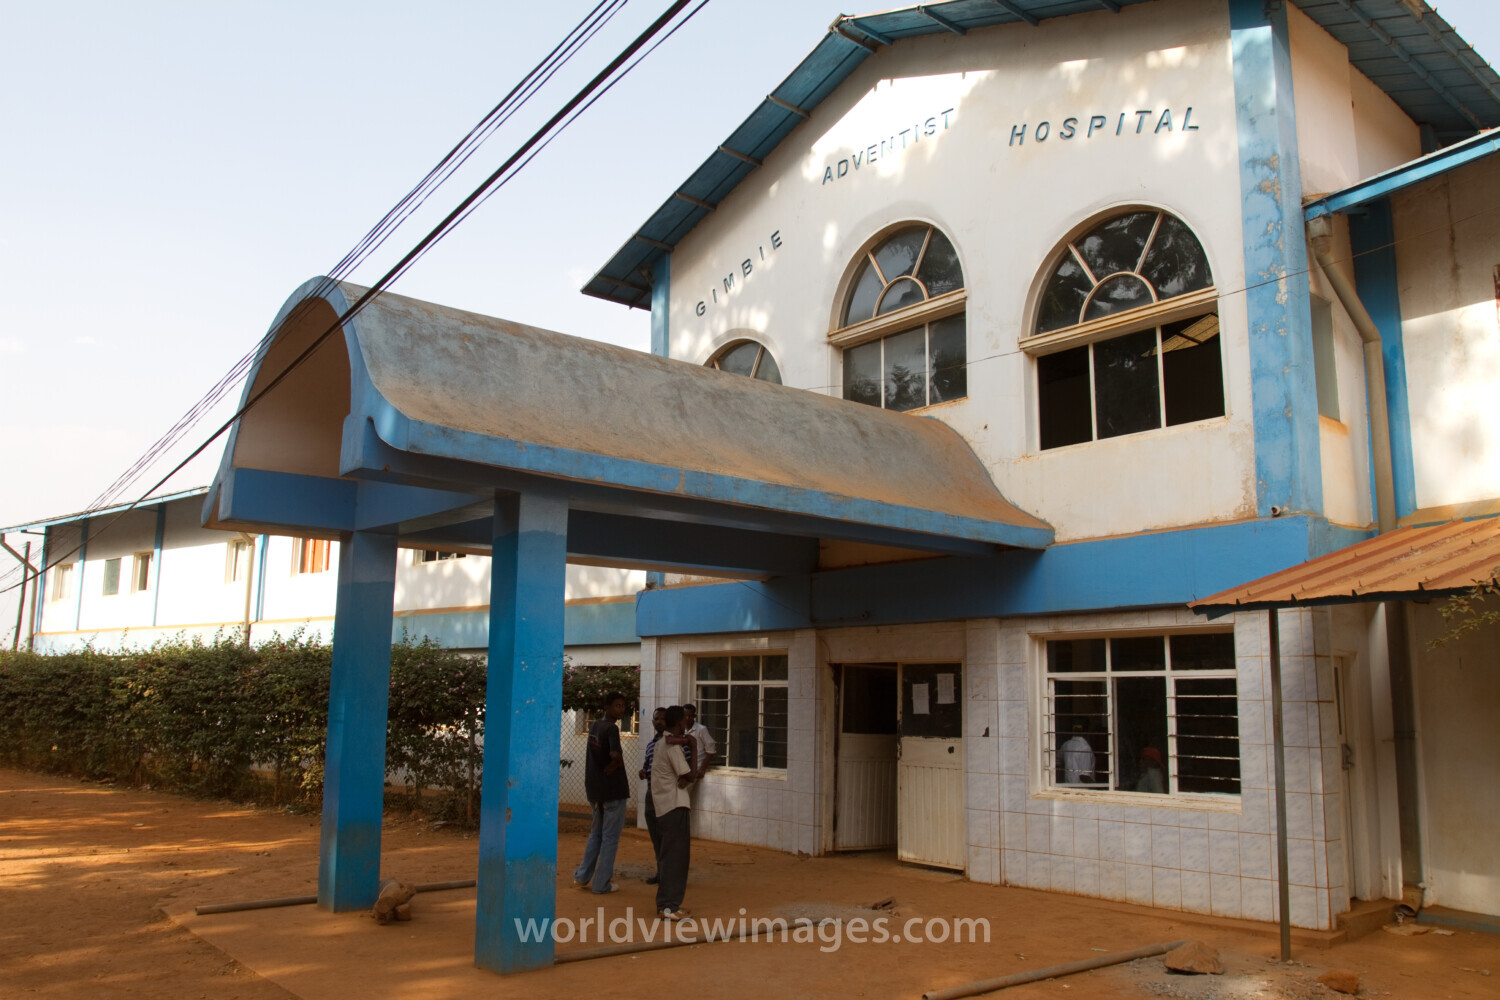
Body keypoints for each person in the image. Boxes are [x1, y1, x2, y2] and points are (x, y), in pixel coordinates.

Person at [572, 692, 630, 893]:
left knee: (596, 834)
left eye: (622, 706)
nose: (621, 709)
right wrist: (614, 765)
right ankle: (601, 884)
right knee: (610, 838)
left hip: (595, 790)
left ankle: (582, 876)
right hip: (613, 791)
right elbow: (615, 754)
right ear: (607, 707)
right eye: (617, 705)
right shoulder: (612, 728)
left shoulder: (595, 725)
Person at [652, 705, 696, 920]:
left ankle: (666, 904)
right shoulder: (672, 748)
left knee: (669, 857)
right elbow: (690, 775)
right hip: (674, 806)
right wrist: (694, 748)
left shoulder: (661, 743)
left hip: (664, 806)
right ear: (679, 723)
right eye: (685, 720)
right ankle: (669, 906)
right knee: (676, 859)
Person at [638, 707, 667, 885]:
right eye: (656, 719)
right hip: (651, 794)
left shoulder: (675, 743)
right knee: (656, 835)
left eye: (662, 719)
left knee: (667, 836)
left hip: (666, 795)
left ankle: (669, 873)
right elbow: (646, 766)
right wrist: (643, 772)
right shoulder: (651, 745)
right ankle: (661, 871)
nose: (659, 722)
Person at [682, 703, 716, 778]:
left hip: (696, 769)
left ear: (694, 716)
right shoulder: (680, 729)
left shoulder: (701, 729)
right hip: (683, 769)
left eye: (690, 716)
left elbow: (711, 750)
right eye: (685, 716)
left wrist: (702, 769)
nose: (687, 718)